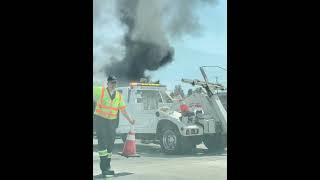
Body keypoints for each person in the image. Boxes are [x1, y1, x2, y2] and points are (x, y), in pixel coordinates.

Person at [93, 75, 135, 177]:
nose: (113, 85)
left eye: (115, 83)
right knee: (103, 143)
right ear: (107, 83)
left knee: (110, 144)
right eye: (111, 82)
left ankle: (108, 166)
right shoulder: (101, 91)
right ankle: (104, 168)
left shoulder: (118, 96)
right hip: (100, 120)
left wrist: (130, 120)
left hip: (111, 122)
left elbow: (123, 110)